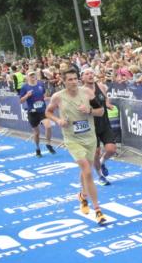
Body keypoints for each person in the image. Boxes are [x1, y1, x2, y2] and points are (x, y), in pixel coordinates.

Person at [46, 68, 107, 225]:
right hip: (72, 139)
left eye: (75, 79)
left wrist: (89, 110)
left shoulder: (87, 92)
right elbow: (48, 112)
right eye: (70, 79)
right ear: (63, 81)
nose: (73, 82)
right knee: (87, 170)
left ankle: (82, 196)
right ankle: (98, 210)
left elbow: (101, 111)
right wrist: (58, 120)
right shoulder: (58, 96)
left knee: (86, 170)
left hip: (90, 138)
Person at [82, 68, 117, 184]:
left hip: (104, 123)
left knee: (111, 150)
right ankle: (100, 176)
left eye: (91, 73)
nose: (90, 75)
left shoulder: (101, 86)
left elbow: (105, 98)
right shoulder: (81, 92)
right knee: (96, 153)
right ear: (82, 77)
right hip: (91, 126)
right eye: (87, 74)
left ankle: (102, 162)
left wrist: (108, 104)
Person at [19, 70, 56, 157]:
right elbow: (21, 101)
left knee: (48, 126)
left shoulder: (40, 84)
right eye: (30, 75)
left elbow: (43, 96)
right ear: (27, 77)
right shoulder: (24, 87)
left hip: (42, 111)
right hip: (32, 112)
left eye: (33, 75)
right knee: (36, 133)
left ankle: (48, 144)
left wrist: (49, 98)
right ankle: (38, 148)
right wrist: (27, 95)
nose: (32, 76)